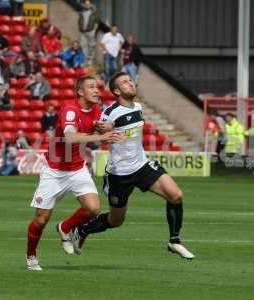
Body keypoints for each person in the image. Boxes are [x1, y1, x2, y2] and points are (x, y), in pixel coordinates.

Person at [67, 72, 195, 260]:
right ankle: (83, 230)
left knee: (175, 195)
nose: (131, 83)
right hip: (119, 174)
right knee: (115, 221)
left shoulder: (138, 107)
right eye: (125, 82)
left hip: (142, 165)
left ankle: (174, 241)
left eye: (131, 80)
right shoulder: (110, 113)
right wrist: (104, 132)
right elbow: (93, 141)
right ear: (117, 91)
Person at [25, 75, 122, 271]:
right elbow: (69, 137)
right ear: (80, 92)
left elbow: (97, 133)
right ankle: (31, 255)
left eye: (97, 87)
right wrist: (101, 135)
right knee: (41, 219)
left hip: (77, 168)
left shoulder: (96, 109)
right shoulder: (70, 110)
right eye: (91, 87)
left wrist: (106, 130)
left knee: (93, 208)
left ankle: (65, 227)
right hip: (54, 170)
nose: (97, 90)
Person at [78, 0, 99, 66]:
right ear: (84, 5)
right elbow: (79, 21)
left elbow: (97, 22)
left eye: (88, 4)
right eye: (86, 4)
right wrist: (80, 28)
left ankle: (90, 60)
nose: (87, 5)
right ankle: (84, 60)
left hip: (90, 31)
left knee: (91, 46)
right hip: (82, 32)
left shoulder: (94, 12)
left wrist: (94, 31)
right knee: (82, 46)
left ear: (90, 4)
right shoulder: (81, 12)